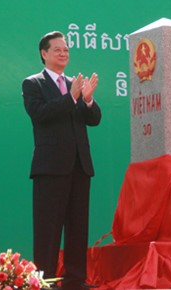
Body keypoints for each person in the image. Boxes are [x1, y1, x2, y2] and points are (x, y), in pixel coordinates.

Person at [22, 31, 102, 290]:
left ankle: (75, 280)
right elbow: (40, 114)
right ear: (44, 54)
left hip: (80, 166)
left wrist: (87, 99)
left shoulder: (74, 84)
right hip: (50, 168)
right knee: (48, 227)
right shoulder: (33, 84)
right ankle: (42, 281)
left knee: (78, 226)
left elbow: (94, 120)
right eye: (57, 49)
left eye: (66, 49)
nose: (64, 53)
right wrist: (71, 98)